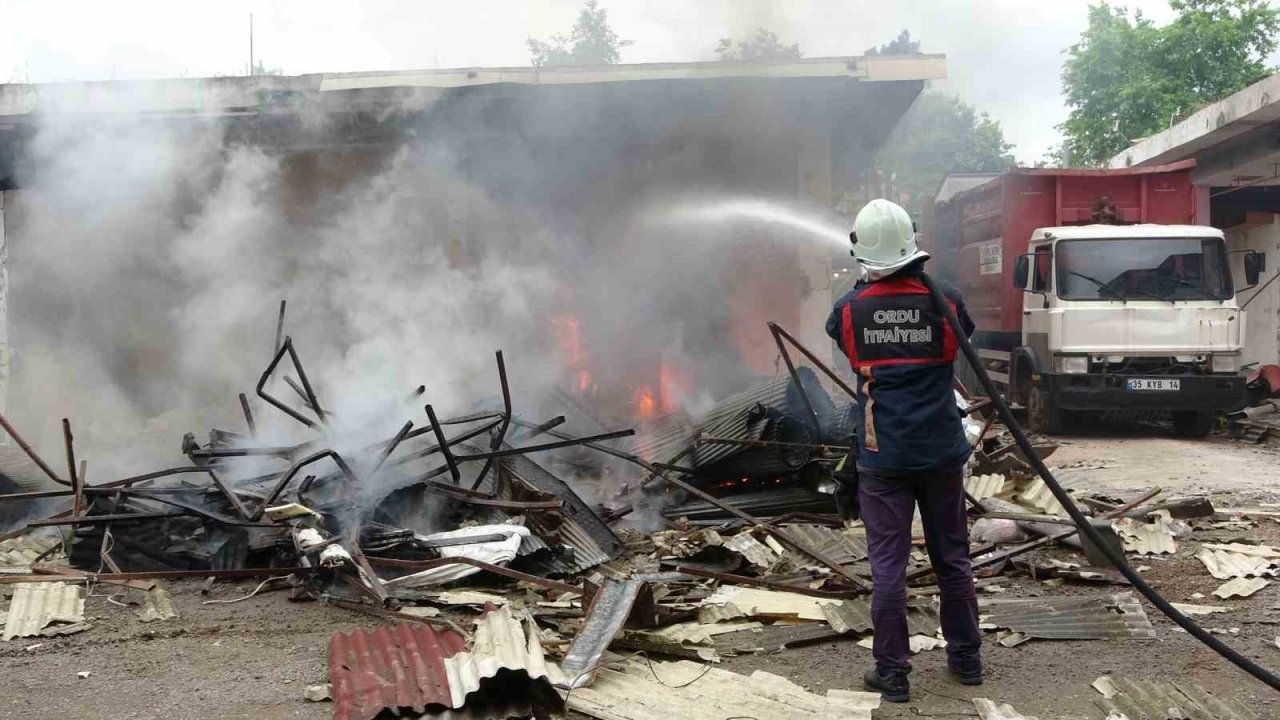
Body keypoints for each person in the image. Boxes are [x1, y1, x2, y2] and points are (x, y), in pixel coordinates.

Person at [825, 199, 982, 703]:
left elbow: (843, 342)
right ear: (913, 245)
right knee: (952, 559)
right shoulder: (947, 300)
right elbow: (964, 338)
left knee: (888, 567)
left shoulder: (850, 308)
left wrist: (868, 293)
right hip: (940, 451)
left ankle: (892, 673)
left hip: (883, 456)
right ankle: (967, 660)